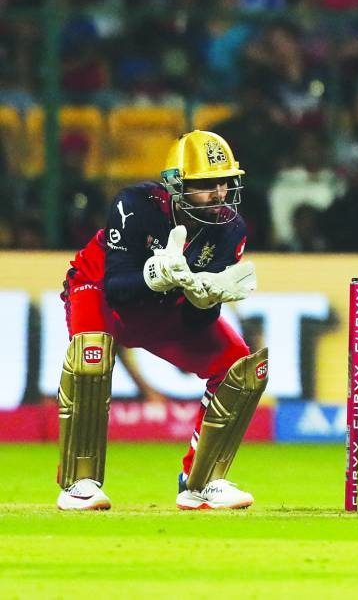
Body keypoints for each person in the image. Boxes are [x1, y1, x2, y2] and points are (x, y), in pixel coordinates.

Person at [56, 130, 267, 511]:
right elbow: (117, 288)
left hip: (162, 307)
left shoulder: (231, 229)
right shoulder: (135, 204)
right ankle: (79, 483)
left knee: (239, 365)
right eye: (206, 185)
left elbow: (193, 323)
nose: (220, 194)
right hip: (98, 289)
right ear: (175, 185)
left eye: (225, 182)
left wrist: (207, 297)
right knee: (91, 354)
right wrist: (154, 276)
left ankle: (201, 482)